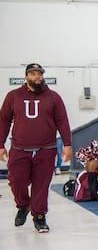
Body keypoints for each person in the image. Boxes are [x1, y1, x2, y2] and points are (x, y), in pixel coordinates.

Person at [0, 63, 72, 233]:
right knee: (16, 181)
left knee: (41, 184)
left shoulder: (53, 97)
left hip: (46, 148)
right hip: (19, 148)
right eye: (33, 74)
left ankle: (39, 217)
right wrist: (1, 145)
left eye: (39, 74)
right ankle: (23, 205)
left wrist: (67, 145)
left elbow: (62, 121)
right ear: (26, 77)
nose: (37, 77)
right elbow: (3, 120)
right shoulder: (13, 96)